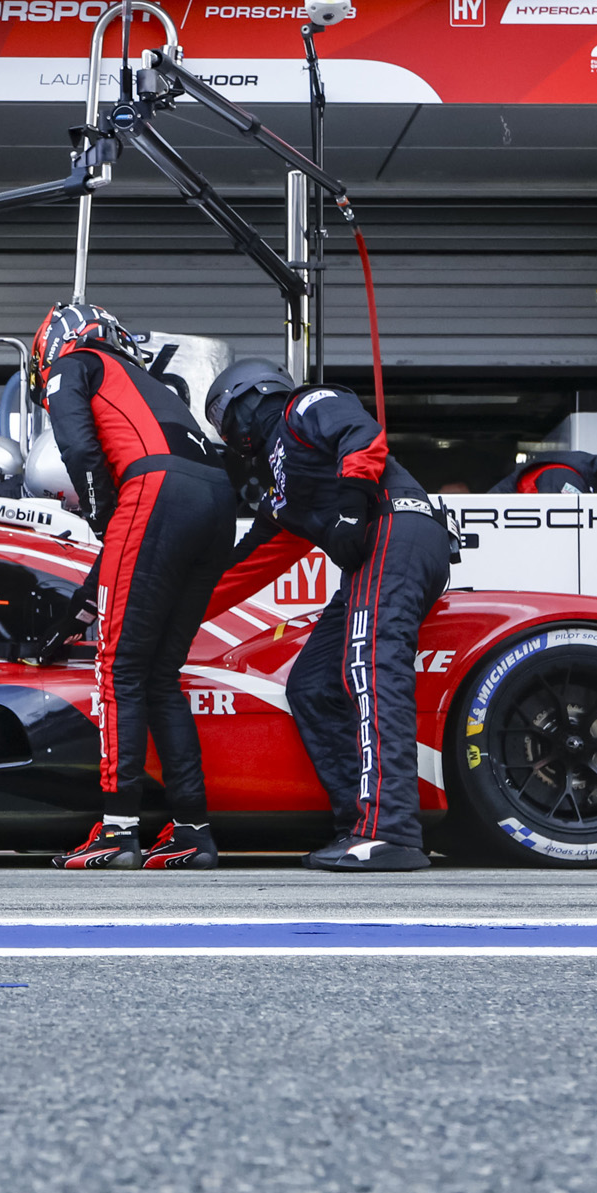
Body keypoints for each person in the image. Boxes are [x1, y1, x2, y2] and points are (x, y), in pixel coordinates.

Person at [203, 359, 451, 871]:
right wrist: (177, 614)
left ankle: (391, 831)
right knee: (312, 684)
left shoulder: (304, 407)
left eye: (224, 422)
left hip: (394, 529)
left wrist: (351, 505)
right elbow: (247, 567)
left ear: (243, 405)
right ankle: (357, 823)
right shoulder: (284, 490)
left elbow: (361, 435)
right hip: (376, 549)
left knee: (371, 668)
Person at [34, 303, 234, 871]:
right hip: (216, 500)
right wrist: (68, 622)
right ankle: (192, 830)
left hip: (156, 490)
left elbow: (77, 446)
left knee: (117, 669)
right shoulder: (147, 382)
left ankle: (118, 830)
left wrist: (100, 514)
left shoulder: (75, 361)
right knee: (159, 676)